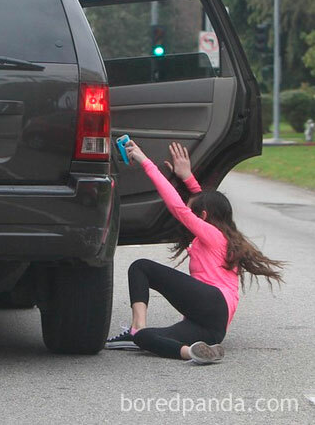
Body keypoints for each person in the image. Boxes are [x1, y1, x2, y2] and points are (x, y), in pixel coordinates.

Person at [105, 141, 284, 364]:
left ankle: (136, 327)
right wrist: (187, 177)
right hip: (213, 328)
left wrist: (144, 161)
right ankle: (191, 353)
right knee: (146, 338)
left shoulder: (214, 235)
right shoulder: (220, 235)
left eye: (194, 213)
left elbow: (178, 208)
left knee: (141, 267)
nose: (188, 216)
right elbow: (203, 202)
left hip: (212, 302)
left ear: (204, 216)